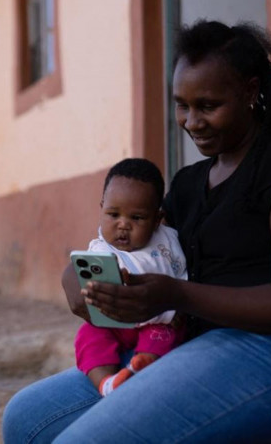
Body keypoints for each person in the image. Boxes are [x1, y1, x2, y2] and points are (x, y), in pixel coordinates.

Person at [2, 20, 271, 443]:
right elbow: (134, 254)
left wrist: (176, 294)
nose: (192, 122)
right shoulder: (189, 184)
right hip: (199, 348)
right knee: (26, 420)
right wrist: (81, 281)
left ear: (250, 92)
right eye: (182, 105)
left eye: (208, 105)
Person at [75, 158, 187, 396]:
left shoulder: (167, 242)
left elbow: (181, 275)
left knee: (164, 334)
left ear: (157, 219)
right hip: (116, 321)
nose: (123, 225)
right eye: (113, 214)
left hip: (157, 319)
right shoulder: (99, 250)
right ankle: (106, 383)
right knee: (89, 334)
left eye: (136, 218)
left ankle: (141, 366)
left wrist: (178, 310)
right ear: (102, 208)